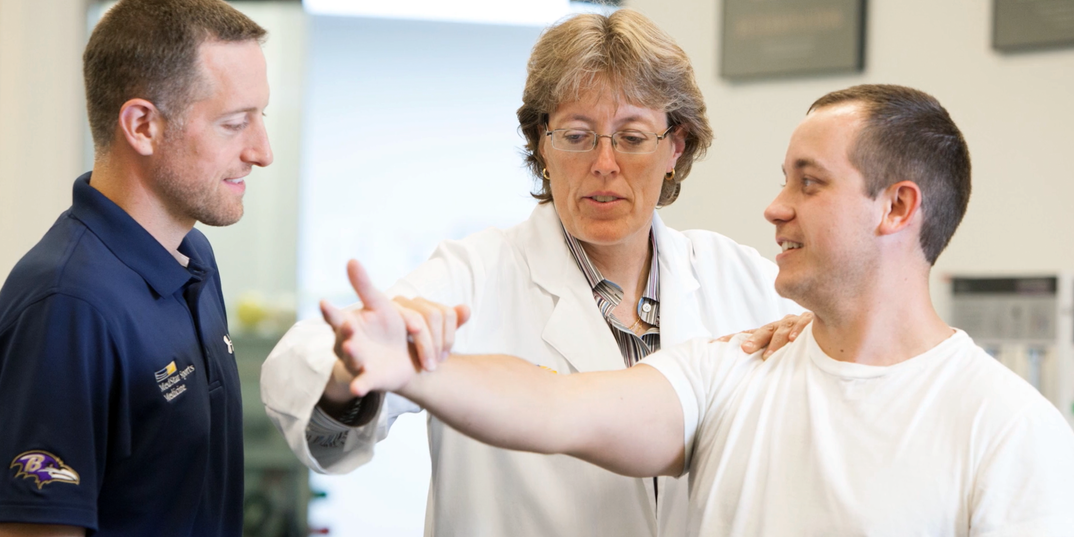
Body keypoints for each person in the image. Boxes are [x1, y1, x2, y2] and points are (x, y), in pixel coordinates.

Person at [324, 84, 1074, 536]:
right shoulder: (737, 368)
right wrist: (418, 369)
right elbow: (557, 404)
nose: (775, 207)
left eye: (809, 183)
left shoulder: (1005, 428)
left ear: (897, 206)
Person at [261, 9, 806, 537]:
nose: (605, 163)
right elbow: (305, 372)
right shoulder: (474, 275)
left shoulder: (743, 279)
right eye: (576, 135)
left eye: (633, 137)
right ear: (541, 144)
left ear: (676, 147)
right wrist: (345, 371)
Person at [0, 0, 272, 535]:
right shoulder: (68, 305)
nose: (262, 151)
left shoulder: (194, 256)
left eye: (262, 117)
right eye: (234, 123)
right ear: (142, 125)